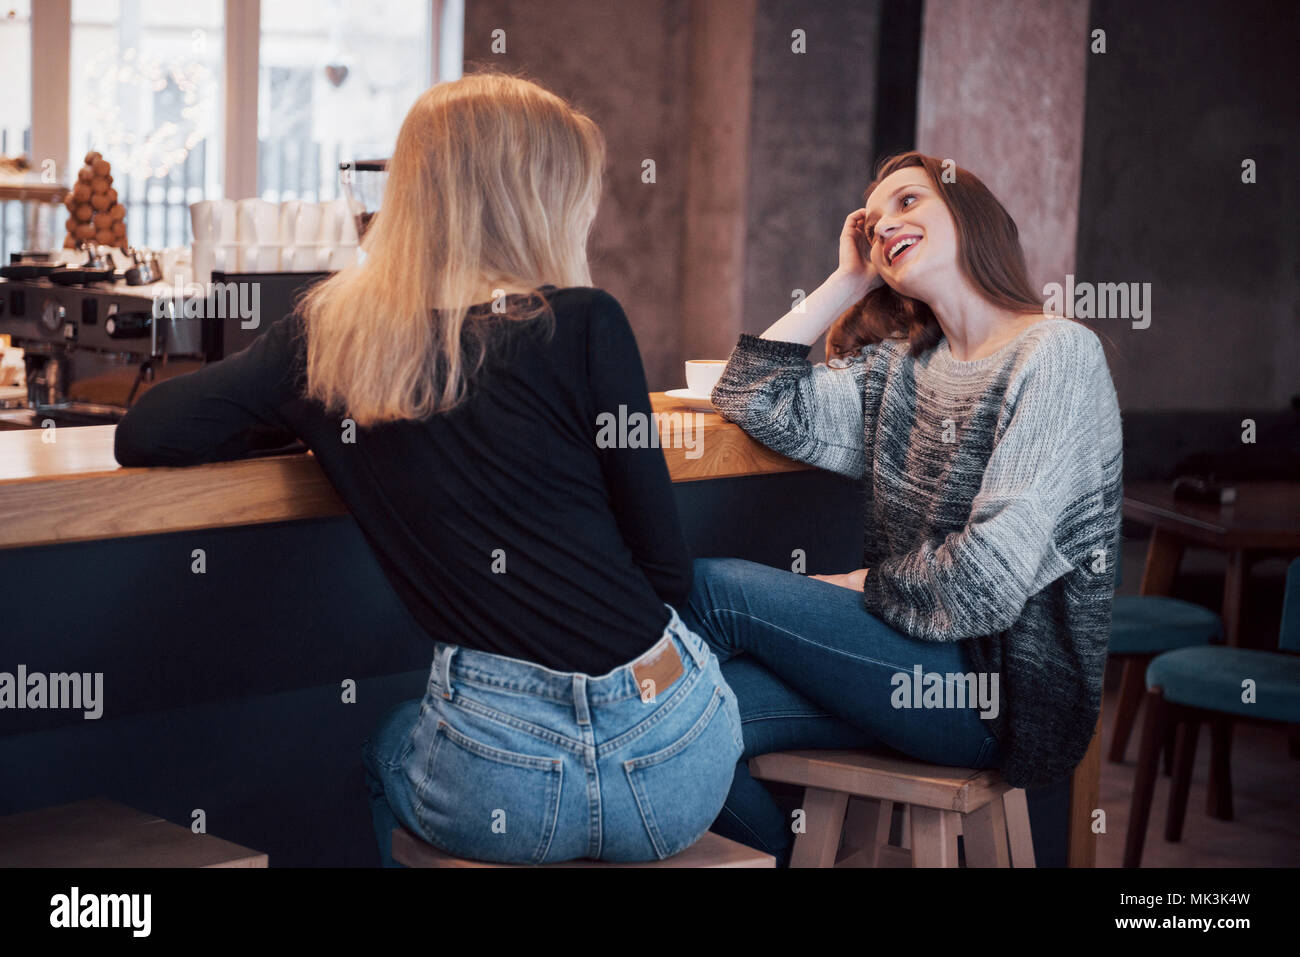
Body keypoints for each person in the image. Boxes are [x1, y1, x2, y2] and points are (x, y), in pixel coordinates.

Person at [113, 72, 743, 866]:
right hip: (672, 766)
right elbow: (665, 573)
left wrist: (297, 420)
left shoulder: (328, 345)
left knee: (387, 746)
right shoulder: (587, 324)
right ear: (533, 199)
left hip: (498, 782)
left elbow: (147, 430)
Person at [678, 151, 1124, 865]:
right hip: (897, 665)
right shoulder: (899, 369)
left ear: (969, 217)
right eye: (875, 219)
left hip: (992, 694)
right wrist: (845, 279)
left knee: (708, 587)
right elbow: (751, 393)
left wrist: (861, 585)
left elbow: (986, 579)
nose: (887, 225)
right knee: (678, 721)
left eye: (909, 202)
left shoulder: (1058, 354)